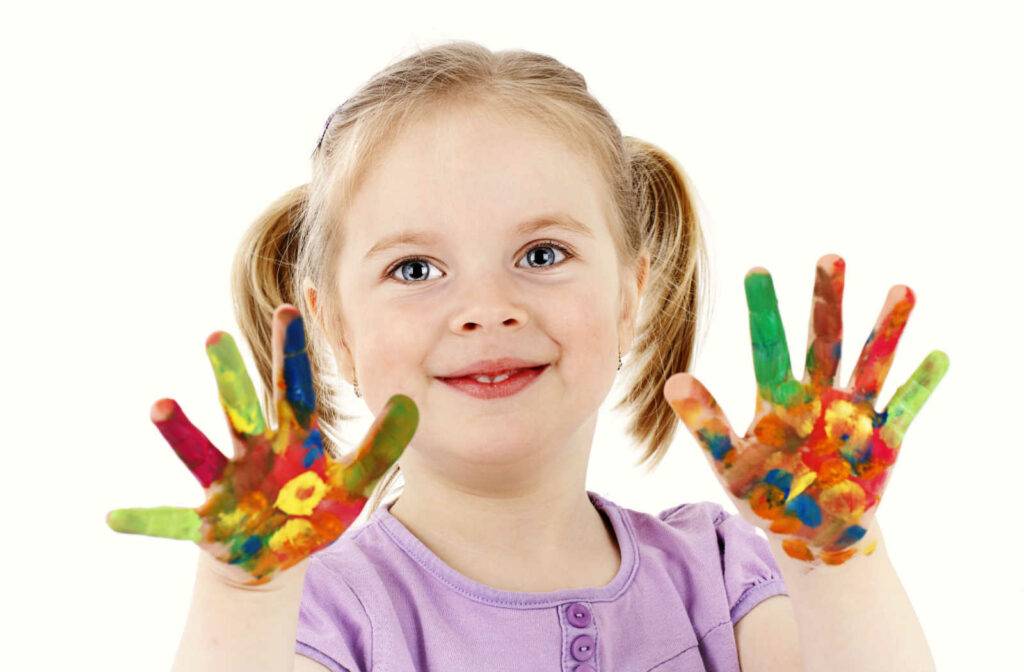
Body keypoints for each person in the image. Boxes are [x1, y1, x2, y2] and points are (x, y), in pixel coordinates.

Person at [108, 40, 944, 671]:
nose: (486, 310)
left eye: (541, 255)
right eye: (414, 269)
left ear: (628, 294)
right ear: (335, 329)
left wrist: (838, 554)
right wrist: (241, 596)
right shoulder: (325, 614)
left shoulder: (723, 575)